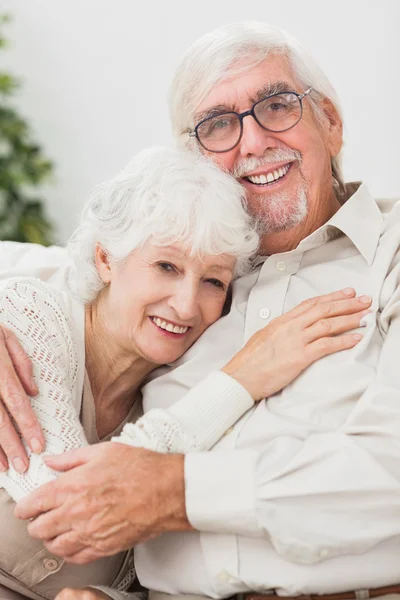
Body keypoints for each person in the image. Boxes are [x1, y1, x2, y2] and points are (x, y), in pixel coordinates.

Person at [1, 19, 400, 600]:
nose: (254, 141)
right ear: (194, 160)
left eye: (278, 106)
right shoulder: (191, 275)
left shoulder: (390, 257)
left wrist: (172, 491)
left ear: (331, 123)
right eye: (218, 125)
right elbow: (61, 271)